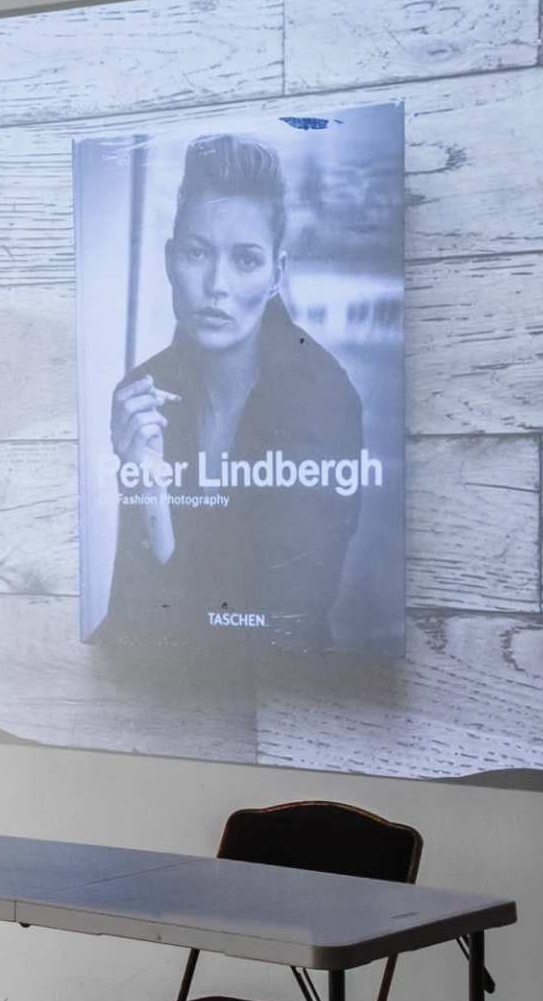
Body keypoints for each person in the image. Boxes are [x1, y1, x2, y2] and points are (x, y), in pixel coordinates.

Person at [93, 133, 376, 653]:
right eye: (198, 253)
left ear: (275, 276)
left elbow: (283, 616)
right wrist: (146, 482)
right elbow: (131, 611)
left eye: (245, 260)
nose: (216, 283)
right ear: (169, 260)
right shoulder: (142, 393)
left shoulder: (323, 399)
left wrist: (155, 501)